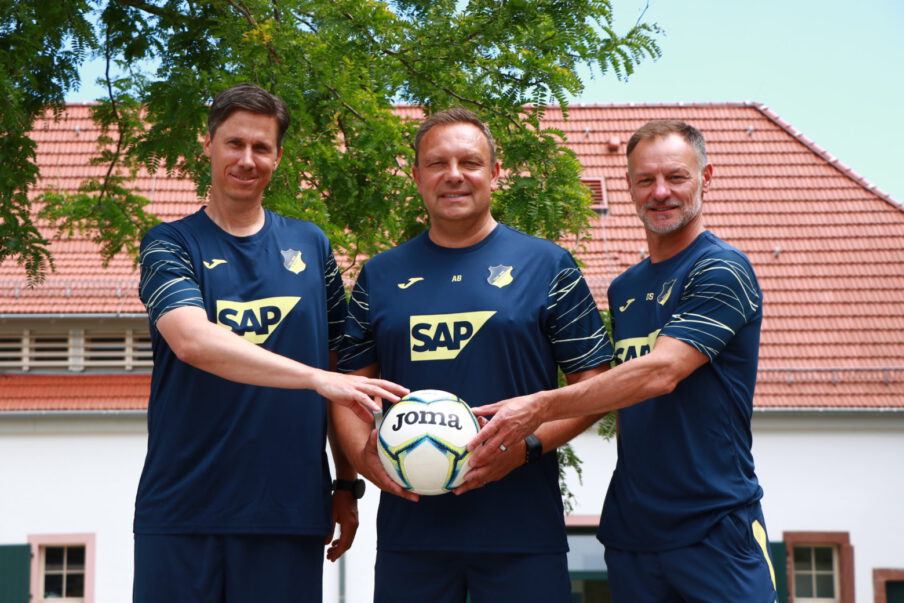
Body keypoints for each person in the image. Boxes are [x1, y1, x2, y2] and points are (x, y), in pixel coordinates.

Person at [470, 120, 778, 602]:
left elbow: (661, 372)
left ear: (706, 177)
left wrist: (538, 407)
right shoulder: (625, 288)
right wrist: (529, 442)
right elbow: (615, 388)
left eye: (676, 177)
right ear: (628, 186)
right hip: (633, 533)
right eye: (645, 180)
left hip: (716, 525)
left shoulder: (722, 269)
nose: (660, 192)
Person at [133, 83, 407, 603]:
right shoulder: (169, 243)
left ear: (278, 157)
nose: (246, 159)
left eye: (261, 147)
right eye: (234, 143)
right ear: (207, 144)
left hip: (288, 511)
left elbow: (339, 375)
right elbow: (191, 340)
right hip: (183, 510)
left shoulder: (311, 244)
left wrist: (345, 485)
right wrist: (314, 378)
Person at [332, 107, 613, 602]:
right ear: (417, 176)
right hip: (410, 534)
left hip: (522, 533)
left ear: (495, 173)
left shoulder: (546, 264)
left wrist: (524, 448)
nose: (454, 175)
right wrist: (362, 456)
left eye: (470, 162)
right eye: (438, 163)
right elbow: (345, 392)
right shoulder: (380, 275)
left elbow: (594, 386)